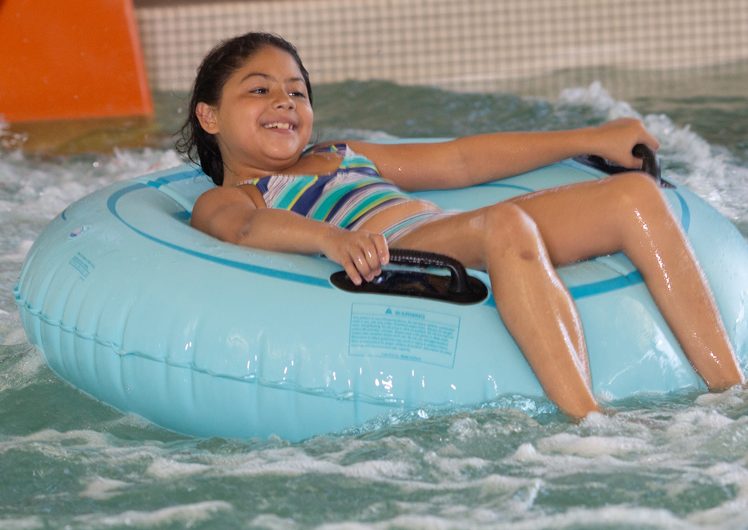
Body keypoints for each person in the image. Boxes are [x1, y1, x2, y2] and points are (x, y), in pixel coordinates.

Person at [177, 32, 744, 419]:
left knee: (635, 196)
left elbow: (461, 161)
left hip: (444, 226)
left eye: (296, 91)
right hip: (398, 249)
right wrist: (332, 238)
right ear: (209, 115)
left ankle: (729, 389)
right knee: (504, 224)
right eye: (260, 89)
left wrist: (591, 138)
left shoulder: (343, 154)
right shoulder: (238, 195)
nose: (285, 101)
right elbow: (246, 232)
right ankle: (590, 420)